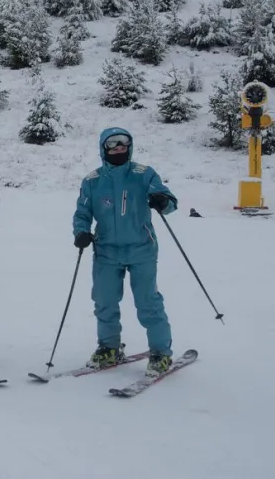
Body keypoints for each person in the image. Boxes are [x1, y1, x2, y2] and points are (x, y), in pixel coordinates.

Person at [72, 126, 179, 376]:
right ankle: (109, 347)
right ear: (103, 148)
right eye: (113, 144)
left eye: (123, 143)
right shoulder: (92, 181)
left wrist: (162, 201)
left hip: (141, 247)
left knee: (148, 302)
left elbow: (167, 199)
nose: (119, 148)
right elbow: (82, 213)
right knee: (104, 301)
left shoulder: (144, 174)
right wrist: (81, 231)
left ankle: (161, 353)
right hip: (106, 250)